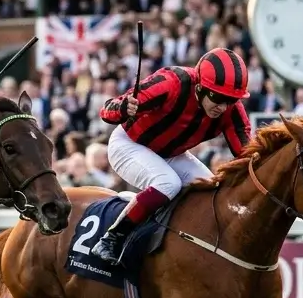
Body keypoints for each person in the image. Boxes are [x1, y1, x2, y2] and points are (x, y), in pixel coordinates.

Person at [91, 47, 252, 265]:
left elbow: (247, 155)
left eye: (230, 100)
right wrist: (122, 109)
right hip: (129, 144)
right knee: (168, 183)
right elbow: (107, 108)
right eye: (217, 97)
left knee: (211, 190)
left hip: (171, 154)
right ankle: (111, 238)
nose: (222, 107)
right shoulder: (171, 83)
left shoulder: (231, 111)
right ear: (200, 87)